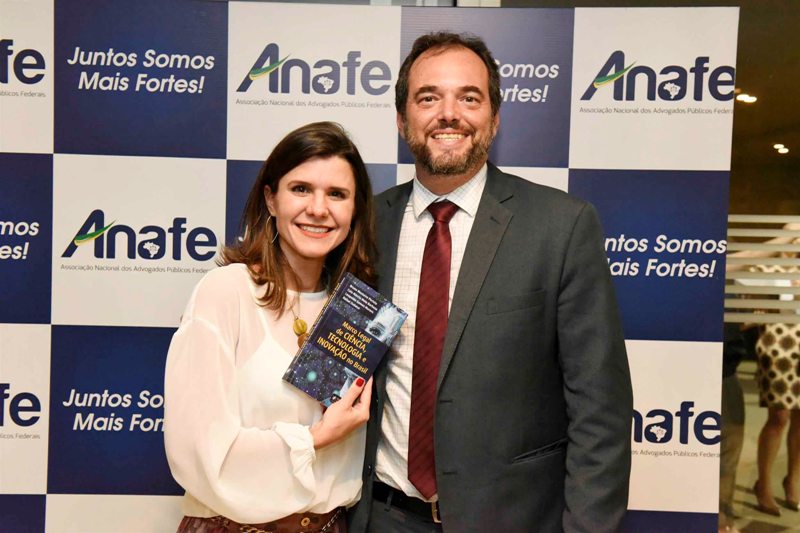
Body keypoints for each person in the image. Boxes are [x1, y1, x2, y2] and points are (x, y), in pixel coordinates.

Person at [347, 32, 633, 533]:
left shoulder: (560, 226)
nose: (449, 114)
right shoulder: (366, 226)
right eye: (428, 98)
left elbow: (600, 409)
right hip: (383, 517)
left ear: (495, 119)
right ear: (401, 119)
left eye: (469, 98)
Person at [164, 121, 377, 533]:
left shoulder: (357, 310)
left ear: (355, 210)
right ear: (271, 199)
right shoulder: (226, 292)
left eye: (337, 194)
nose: (318, 209)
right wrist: (314, 438)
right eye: (301, 189)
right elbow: (198, 452)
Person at [727, 222, 800, 516]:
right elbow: (742, 293)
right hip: (779, 348)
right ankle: (764, 484)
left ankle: (792, 480)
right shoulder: (769, 266)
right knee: (779, 417)